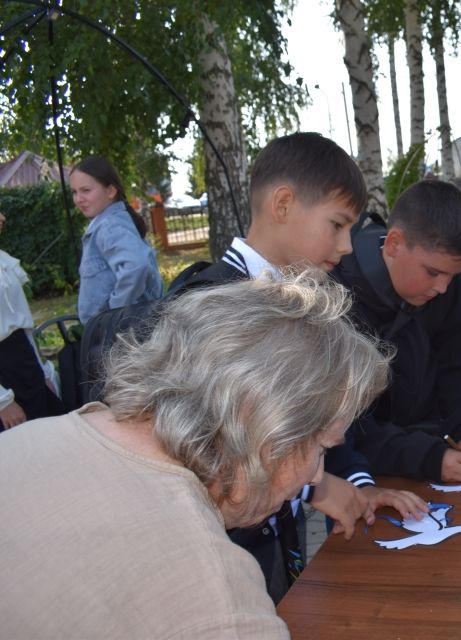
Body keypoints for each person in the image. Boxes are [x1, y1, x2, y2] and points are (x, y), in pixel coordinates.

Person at [0, 271, 391, 638]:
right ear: (263, 426)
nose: (316, 477)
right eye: (320, 449)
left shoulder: (28, 440)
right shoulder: (215, 595)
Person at [204, 132, 427, 603]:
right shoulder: (209, 306)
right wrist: (317, 489)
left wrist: (358, 488)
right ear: (283, 204)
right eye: (337, 224)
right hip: (221, 562)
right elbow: (216, 453)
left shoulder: (301, 303)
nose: (347, 245)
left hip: (275, 548)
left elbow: (322, 426)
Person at [329, 180, 461, 483]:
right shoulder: (336, 298)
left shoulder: (454, 290)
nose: (442, 287)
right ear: (394, 244)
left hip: (437, 455)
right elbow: (344, 424)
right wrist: (426, 457)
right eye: (433, 272)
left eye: (454, 275)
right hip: (359, 475)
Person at [70, 157, 163, 324]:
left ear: (111, 191)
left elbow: (137, 265)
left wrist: (116, 311)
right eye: (74, 192)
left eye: (86, 190)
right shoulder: (109, 223)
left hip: (120, 334)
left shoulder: (109, 225)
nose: (78, 199)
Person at [1, 211, 64, 428]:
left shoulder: (3, 261)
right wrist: (2, 402)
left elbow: (23, 324)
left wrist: (42, 371)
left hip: (25, 364)